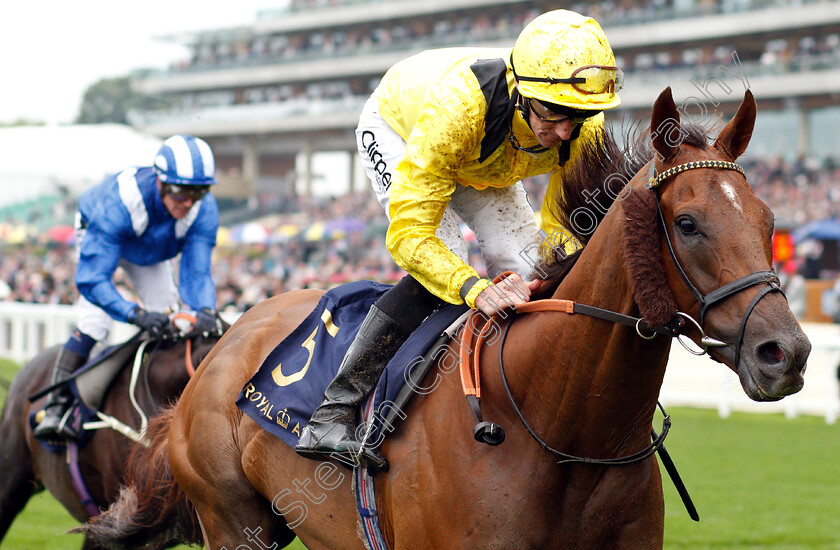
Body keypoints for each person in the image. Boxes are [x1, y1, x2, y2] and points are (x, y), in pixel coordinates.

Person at [296, 9, 623, 465]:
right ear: (523, 94)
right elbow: (411, 235)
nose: (565, 131)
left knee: (533, 271)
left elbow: (562, 231)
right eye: (553, 114)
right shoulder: (459, 109)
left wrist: (543, 272)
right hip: (405, 129)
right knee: (446, 270)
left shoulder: (583, 124)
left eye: (578, 115)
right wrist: (474, 288)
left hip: (484, 160)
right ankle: (331, 414)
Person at [34, 134, 222, 440]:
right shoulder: (120, 204)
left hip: (148, 247)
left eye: (198, 192)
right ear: (161, 182)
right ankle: (56, 406)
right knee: (96, 323)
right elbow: (93, 280)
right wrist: (134, 314)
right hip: (102, 234)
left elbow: (197, 272)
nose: (188, 202)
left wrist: (204, 309)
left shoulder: (204, 209)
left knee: (170, 317)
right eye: (180, 192)